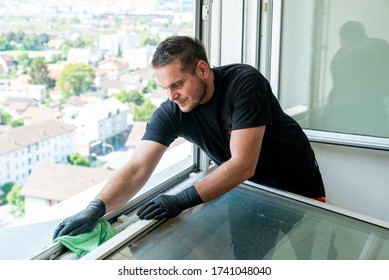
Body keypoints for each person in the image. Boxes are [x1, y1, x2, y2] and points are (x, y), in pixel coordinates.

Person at [53, 35, 326, 244]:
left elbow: (243, 164)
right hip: (250, 193)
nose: (172, 95)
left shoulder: (244, 82)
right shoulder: (173, 111)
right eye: (165, 88)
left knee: (315, 257)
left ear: (203, 69)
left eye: (178, 84)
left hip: (298, 189)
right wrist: (96, 207)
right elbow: (137, 168)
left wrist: (179, 201)